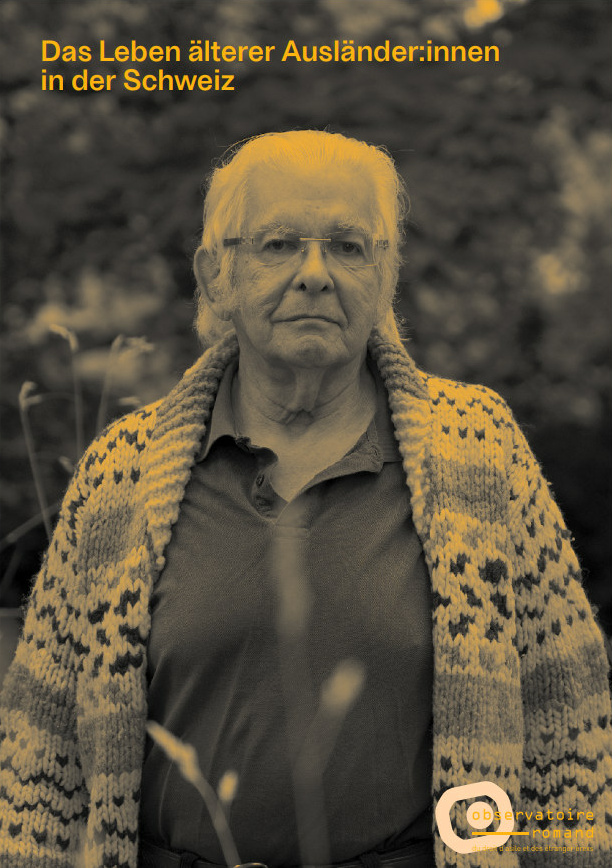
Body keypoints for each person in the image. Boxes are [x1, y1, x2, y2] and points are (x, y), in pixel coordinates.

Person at [0, 130, 610, 868]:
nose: (315, 274)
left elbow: (568, 735)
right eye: (279, 244)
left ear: (385, 274)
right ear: (217, 274)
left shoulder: (478, 451)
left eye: (348, 247)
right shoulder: (119, 474)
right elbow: (40, 765)